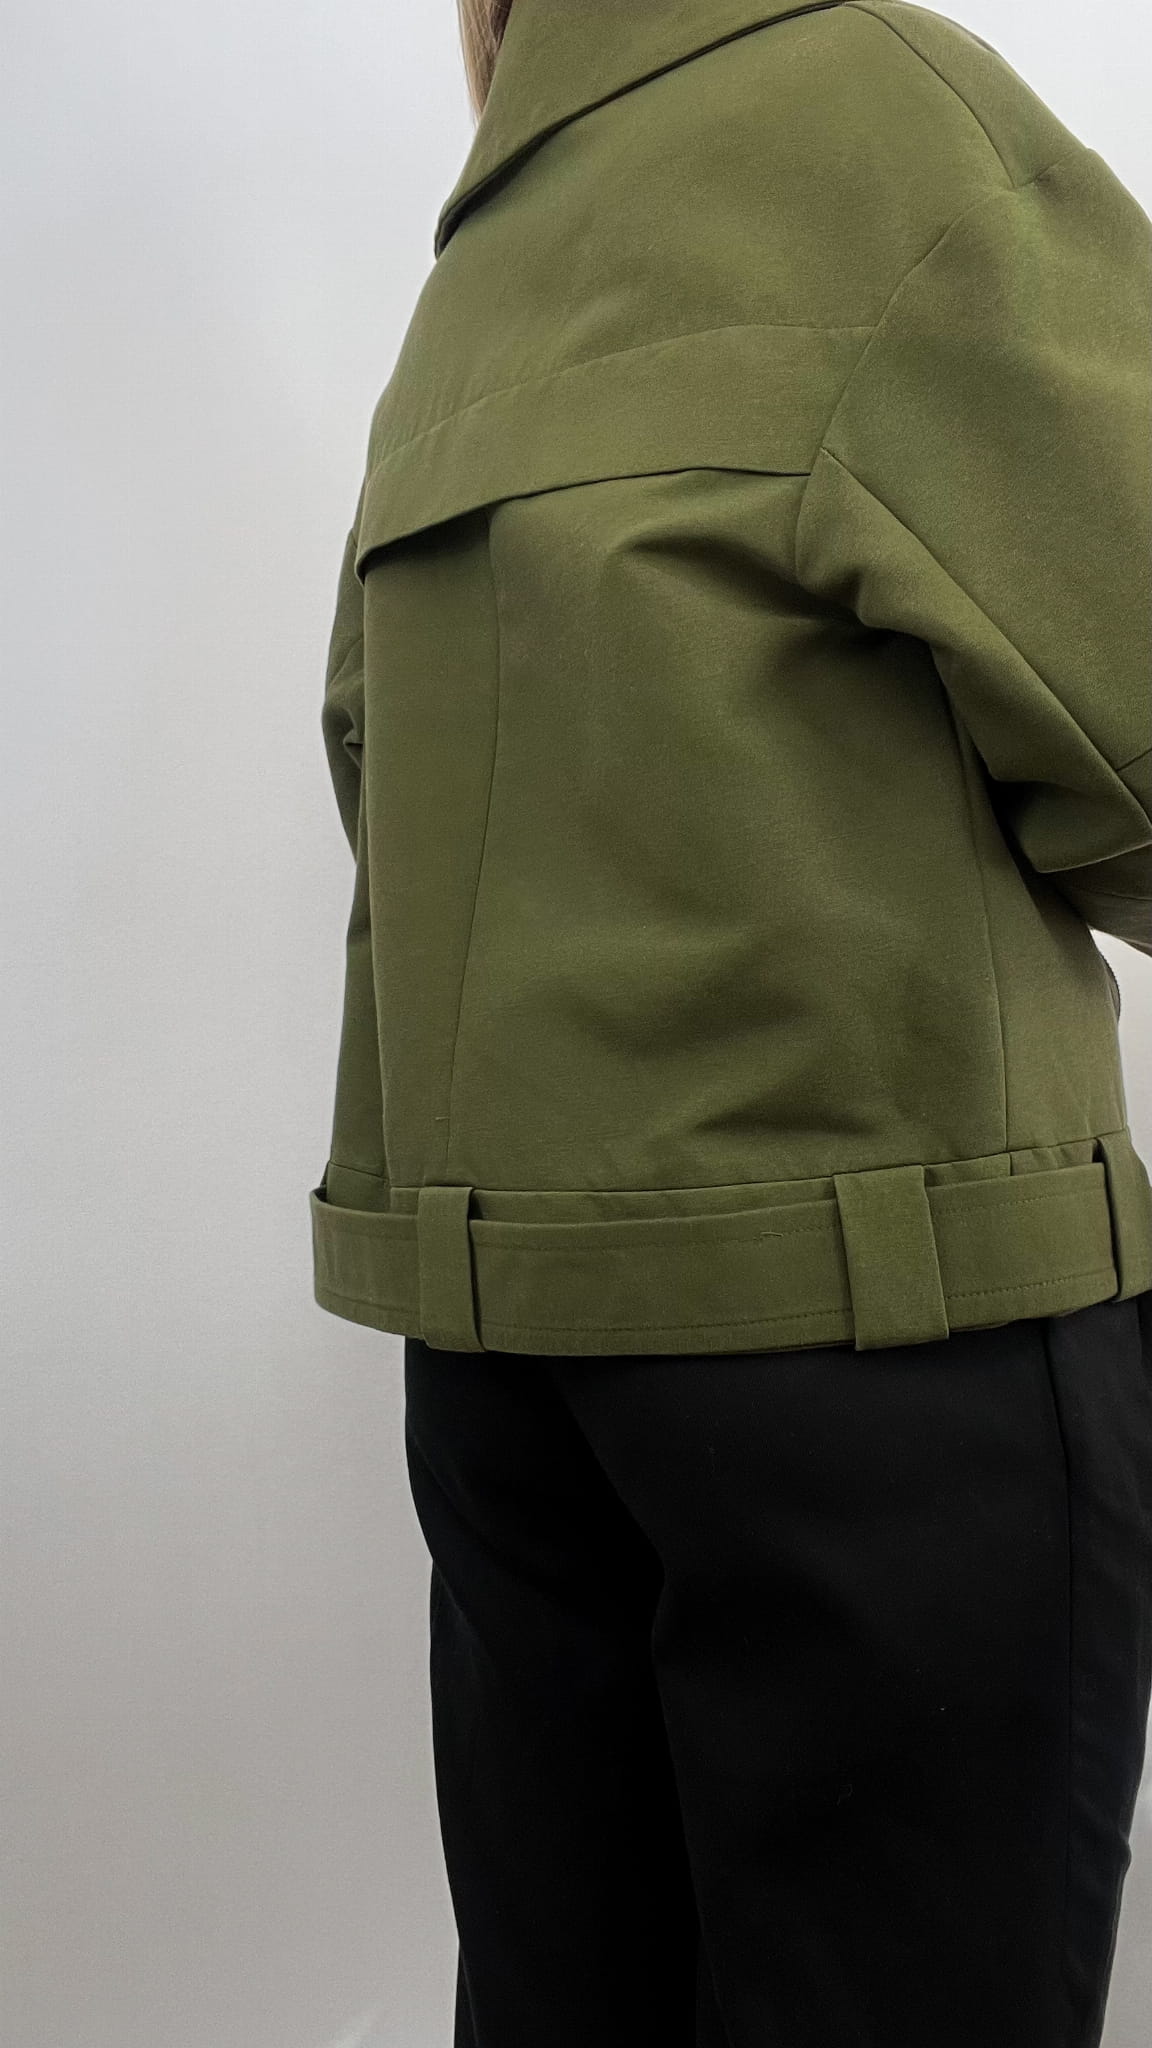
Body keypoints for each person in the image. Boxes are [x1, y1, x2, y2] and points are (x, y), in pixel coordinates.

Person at [308, 2, 1152, 2041]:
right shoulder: (880, 121)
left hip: (510, 1375)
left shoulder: (491, 246)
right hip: (881, 1350)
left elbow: (370, 741)